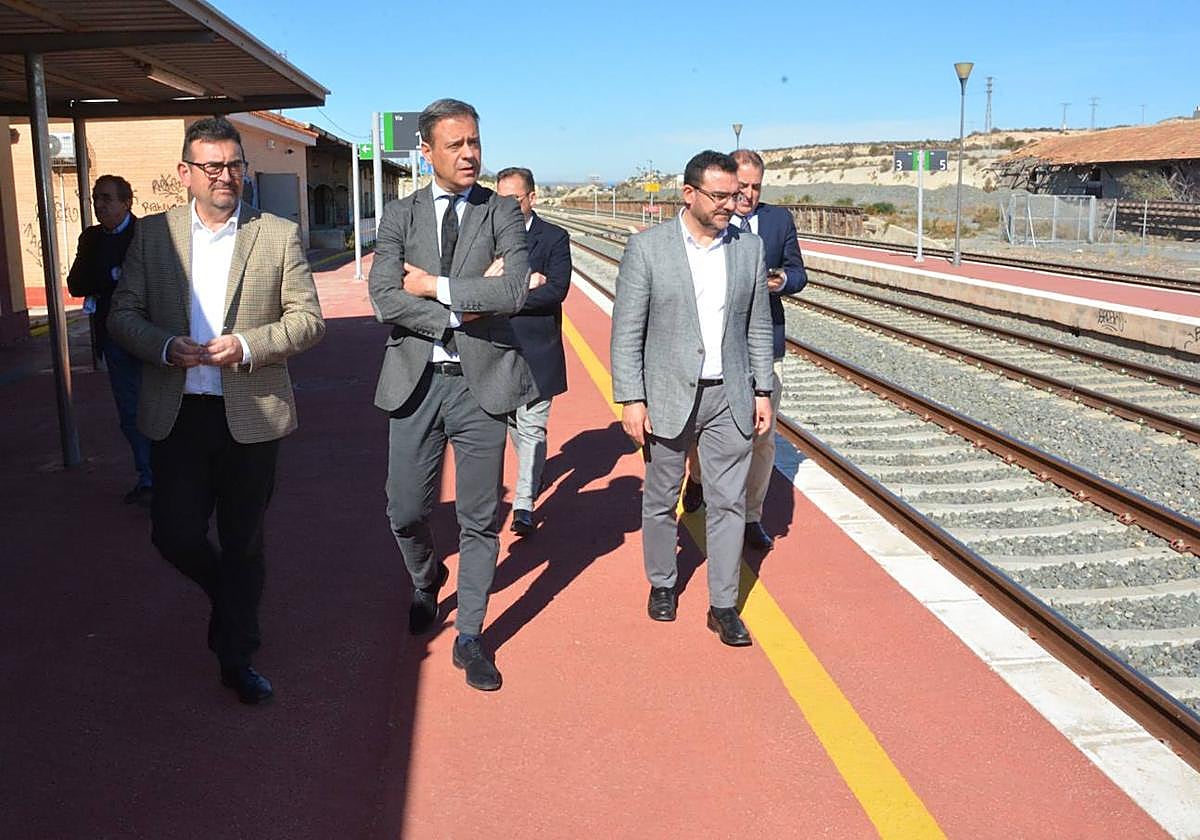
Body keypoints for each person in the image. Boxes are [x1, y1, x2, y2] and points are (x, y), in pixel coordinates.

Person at [108, 116, 325, 705]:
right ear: (186, 174)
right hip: (178, 414)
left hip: (251, 414)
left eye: (234, 165)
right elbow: (121, 315)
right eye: (212, 167)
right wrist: (163, 344)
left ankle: (238, 656)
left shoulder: (276, 234)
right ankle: (229, 601)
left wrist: (249, 345)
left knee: (243, 540)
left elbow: (308, 320)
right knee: (174, 535)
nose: (226, 176)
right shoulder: (154, 236)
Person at [368, 99, 535, 691]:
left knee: (480, 516)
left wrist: (434, 286)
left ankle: (471, 635)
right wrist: (461, 309)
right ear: (427, 151)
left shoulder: (502, 212)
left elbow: (515, 290)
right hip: (414, 384)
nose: (470, 154)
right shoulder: (398, 215)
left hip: (481, 386)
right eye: (456, 144)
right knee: (405, 509)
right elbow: (385, 296)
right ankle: (424, 577)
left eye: (475, 143)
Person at [610, 150, 774, 647]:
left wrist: (762, 388)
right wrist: (631, 398)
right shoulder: (649, 250)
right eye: (721, 195)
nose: (733, 203)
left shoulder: (748, 249)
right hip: (666, 395)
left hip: (730, 393)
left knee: (727, 502)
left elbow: (757, 325)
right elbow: (627, 331)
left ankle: (722, 604)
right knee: (661, 498)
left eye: (738, 194)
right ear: (690, 194)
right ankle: (663, 582)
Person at [681, 149, 807, 551]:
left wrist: (783, 279)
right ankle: (698, 478)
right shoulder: (709, 216)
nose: (749, 195)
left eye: (756, 187)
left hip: (764, 346)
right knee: (702, 433)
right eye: (743, 187)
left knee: (762, 437)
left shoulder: (777, 221)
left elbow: (799, 271)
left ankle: (751, 515)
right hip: (715, 349)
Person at [494, 167, 572, 537]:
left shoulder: (554, 238)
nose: (506, 207)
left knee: (532, 425)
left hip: (539, 350)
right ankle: (534, 473)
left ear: (531, 198)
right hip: (497, 349)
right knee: (513, 424)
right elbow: (476, 283)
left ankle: (523, 503)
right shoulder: (488, 236)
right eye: (501, 200)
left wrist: (507, 295)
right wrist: (526, 283)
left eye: (514, 200)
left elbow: (556, 290)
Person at [66, 175, 153, 505]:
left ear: (126, 202)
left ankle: (170, 476)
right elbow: (76, 283)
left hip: (150, 335)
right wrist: (114, 275)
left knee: (161, 408)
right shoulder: (91, 239)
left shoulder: (146, 234)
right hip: (114, 337)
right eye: (95, 199)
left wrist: (106, 280)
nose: (99, 205)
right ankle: (149, 477)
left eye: (106, 198)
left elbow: (156, 283)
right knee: (130, 413)